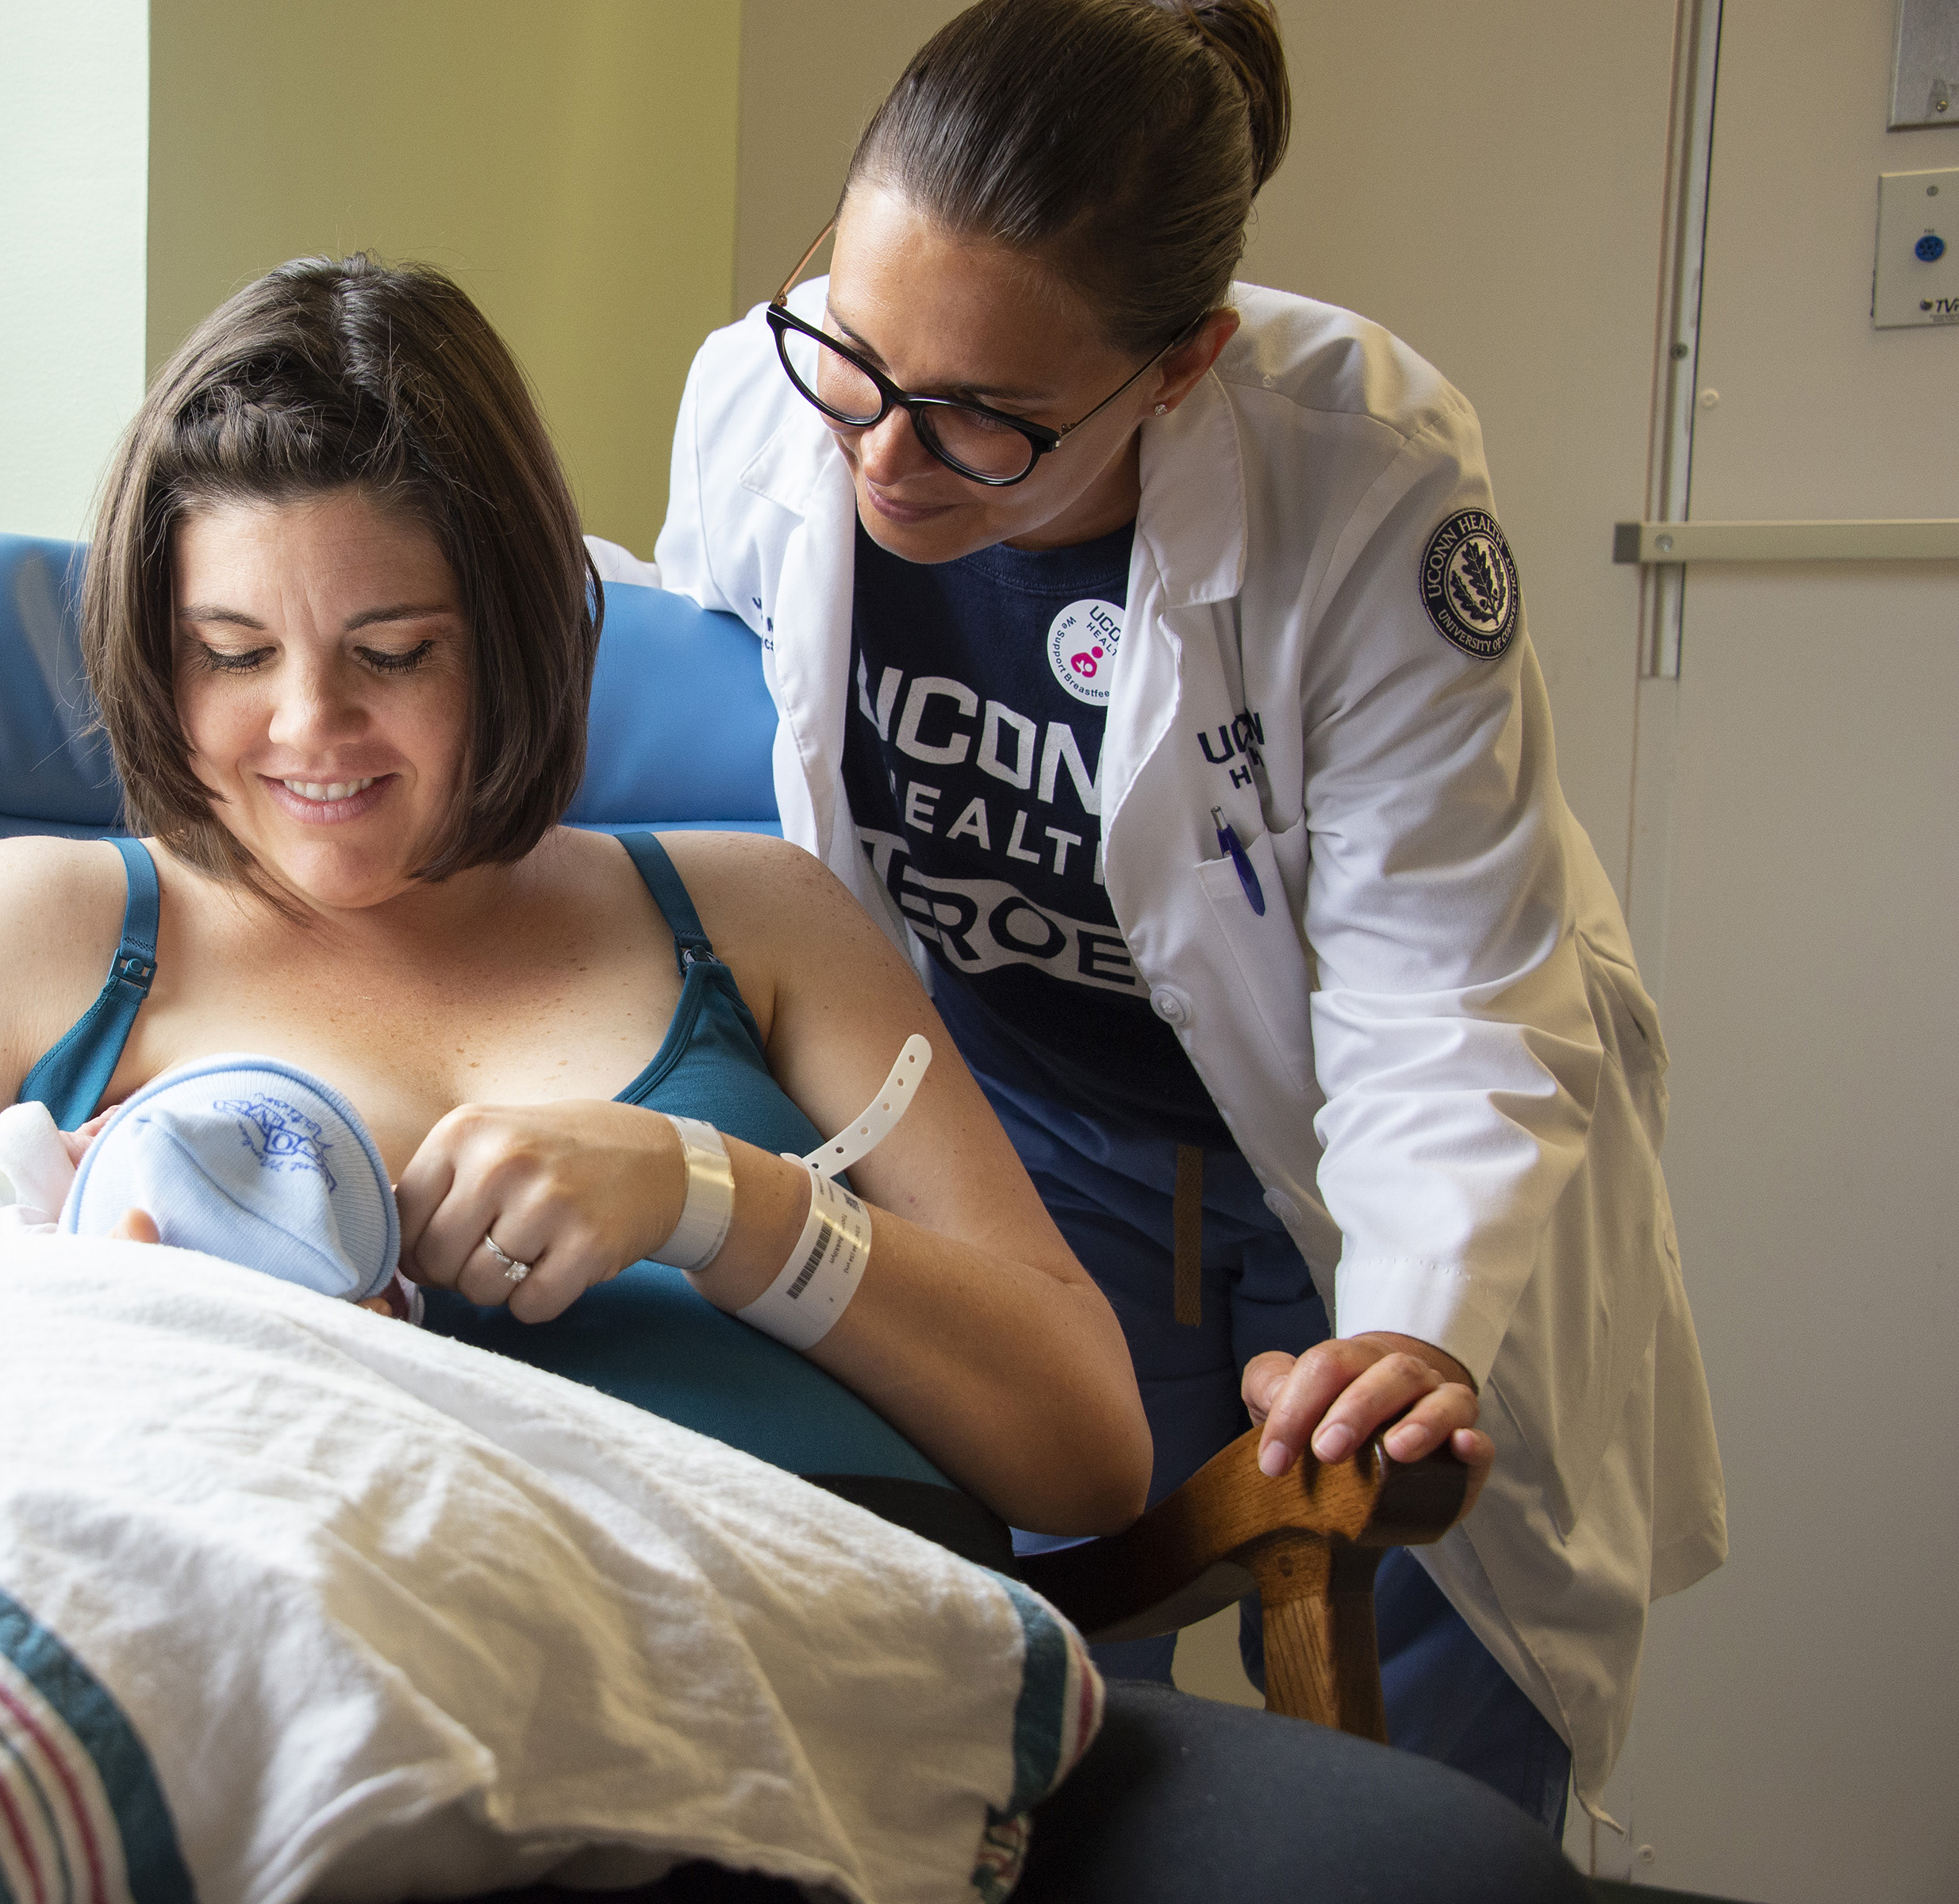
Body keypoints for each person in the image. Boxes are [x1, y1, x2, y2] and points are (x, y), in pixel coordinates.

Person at [0, 253, 1588, 1902]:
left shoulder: (753, 919)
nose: (309, 733)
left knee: (1430, 1868)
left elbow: (1092, 1444)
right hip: (371, 1703)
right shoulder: (37, 935)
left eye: (394, 652)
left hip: (879, 1677)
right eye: (229, 650)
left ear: (517, 639)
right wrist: (63, 1321)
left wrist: (719, 1203)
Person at [598, 0, 1724, 1836]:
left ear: (1183, 363)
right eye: (858, 360)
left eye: (986, 424)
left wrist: (1419, 1323)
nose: (883, 460)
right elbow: (731, 730)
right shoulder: (764, 392)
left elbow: (1446, 994)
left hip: (1367, 1166)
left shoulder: (1358, 473)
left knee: (1433, 1724)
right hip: (1043, 1142)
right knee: (1037, 1705)